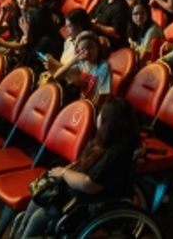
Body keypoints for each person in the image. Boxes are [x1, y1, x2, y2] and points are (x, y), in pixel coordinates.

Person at [11, 97, 140, 238]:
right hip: (72, 193)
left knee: (37, 219)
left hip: (84, 203)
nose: (98, 117)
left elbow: (89, 184)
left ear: (108, 122)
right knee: (35, 201)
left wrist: (64, 173)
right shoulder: (106, 140)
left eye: (101, 114)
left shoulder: (115, 154)